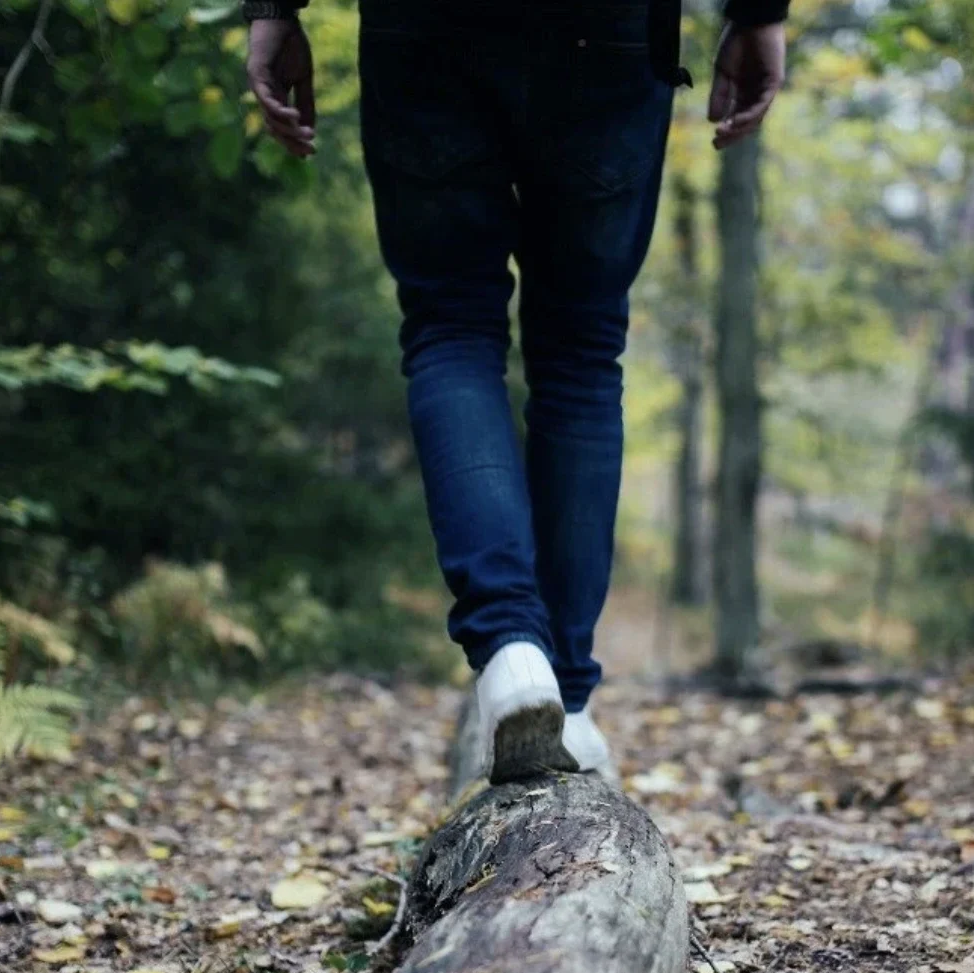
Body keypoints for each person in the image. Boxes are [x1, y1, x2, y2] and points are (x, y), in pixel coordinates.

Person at [243, 0, 788, 783]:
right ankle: (566, 693)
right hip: (609, 27)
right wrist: (759, 14)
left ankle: (510, 652)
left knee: (451, 327)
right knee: (581, 352)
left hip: (425, 27)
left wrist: (272, 9)